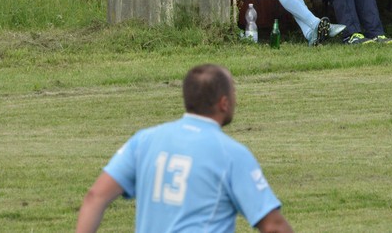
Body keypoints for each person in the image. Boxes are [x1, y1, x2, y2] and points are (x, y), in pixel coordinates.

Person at [76, 64, 294, 233]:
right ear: (224, 103)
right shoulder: (232, 154)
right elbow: (273, 226)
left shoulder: (144, 140)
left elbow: (95, 197)